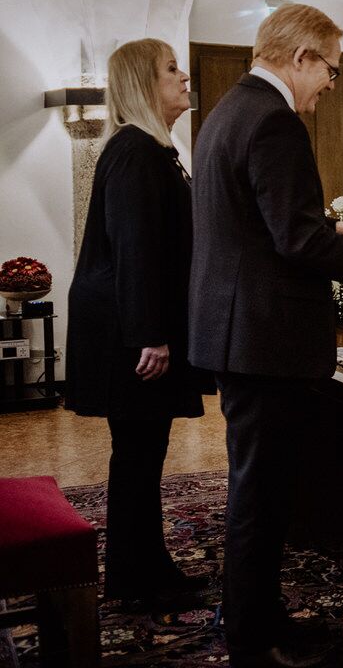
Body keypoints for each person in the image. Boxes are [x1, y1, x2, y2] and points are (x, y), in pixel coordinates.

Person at [188, 4, 343, 668]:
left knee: (255, 485)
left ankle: (253, 613)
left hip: (236, 334)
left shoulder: (227, 112)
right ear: (301, 58)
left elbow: (260, 226)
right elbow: (293, 240)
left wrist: (331, 231)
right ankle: (255, 634)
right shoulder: (275, 121)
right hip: (264, 340)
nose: (332, 85)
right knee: (262, 493)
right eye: (331, 71)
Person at [66, 38, 209, 608]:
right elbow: (135, 250)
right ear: (142, 84)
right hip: (130, 334)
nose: (183, 75)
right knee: (137, 455)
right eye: (171, 68)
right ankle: (132, 579)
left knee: (145, 452)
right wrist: (151, 335)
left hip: (137, 327)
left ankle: (148, 566)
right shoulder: (134, 151)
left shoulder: (156, 149)